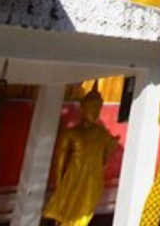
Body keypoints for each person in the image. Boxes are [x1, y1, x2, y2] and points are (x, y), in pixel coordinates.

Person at [43, 83, 118, 226]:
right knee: (67, 213)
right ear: (83, 109)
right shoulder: (71, 133)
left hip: (92, 179)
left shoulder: (101, 133)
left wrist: (110, 148)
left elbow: (105, 157)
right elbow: (60, 161)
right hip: (74, 177)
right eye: (93, 108)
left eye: (98, 109)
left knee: (84, 214)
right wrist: (59, 186)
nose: (96, 112)